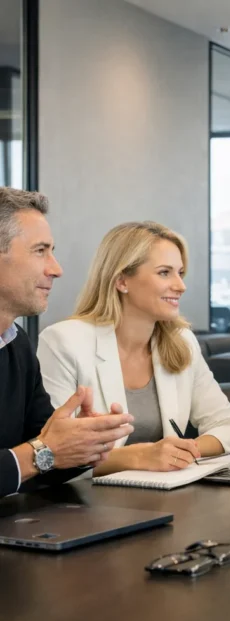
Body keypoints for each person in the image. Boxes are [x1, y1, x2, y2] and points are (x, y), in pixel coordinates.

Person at [37, 221, 230, 476]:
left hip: (166, 491)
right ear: (122, 280)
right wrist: (139, 457)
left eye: (180, 273)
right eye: (164, 273)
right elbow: (55, 455)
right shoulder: (63, 341)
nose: (180, 285)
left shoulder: (181, 341)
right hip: (86, 497)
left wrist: (182, 451)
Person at [0, 187, 136, 499]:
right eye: (40, 251)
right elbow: (41, 452)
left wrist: (84, 444)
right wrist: (43, 452)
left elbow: (45, 454)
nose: (56, 269)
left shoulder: (18, 345)